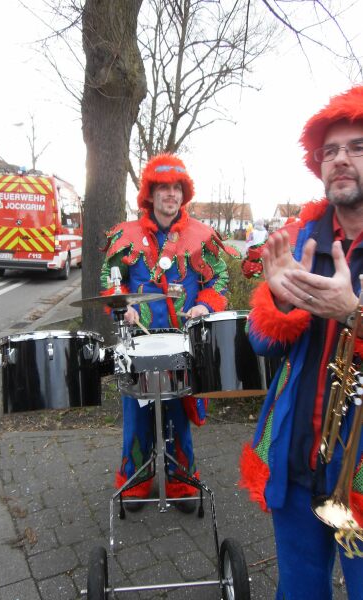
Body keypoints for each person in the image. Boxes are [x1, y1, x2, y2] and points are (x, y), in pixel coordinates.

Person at [239, 85, 363, 599]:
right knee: (298, 590)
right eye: (330, 151)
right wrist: (278, 299)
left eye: (357, 147)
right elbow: (259, 342)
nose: (341, 159)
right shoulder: (301, 238)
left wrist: (354, 315)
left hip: (360, 476)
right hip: (295, 458)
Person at [100, 153, 230, 512]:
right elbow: (109, 280)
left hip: (182, 342)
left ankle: (181, 481)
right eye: (163, 188)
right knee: (137, 416)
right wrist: (121, 305)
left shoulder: (201, 236)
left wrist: (205, 305)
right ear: (150, 193)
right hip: (137, 342)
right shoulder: (124, 236)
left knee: (178, 415)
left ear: (183, 193)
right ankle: (137, 481)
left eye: (176, 188)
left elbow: (219, 278)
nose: (170, 194)